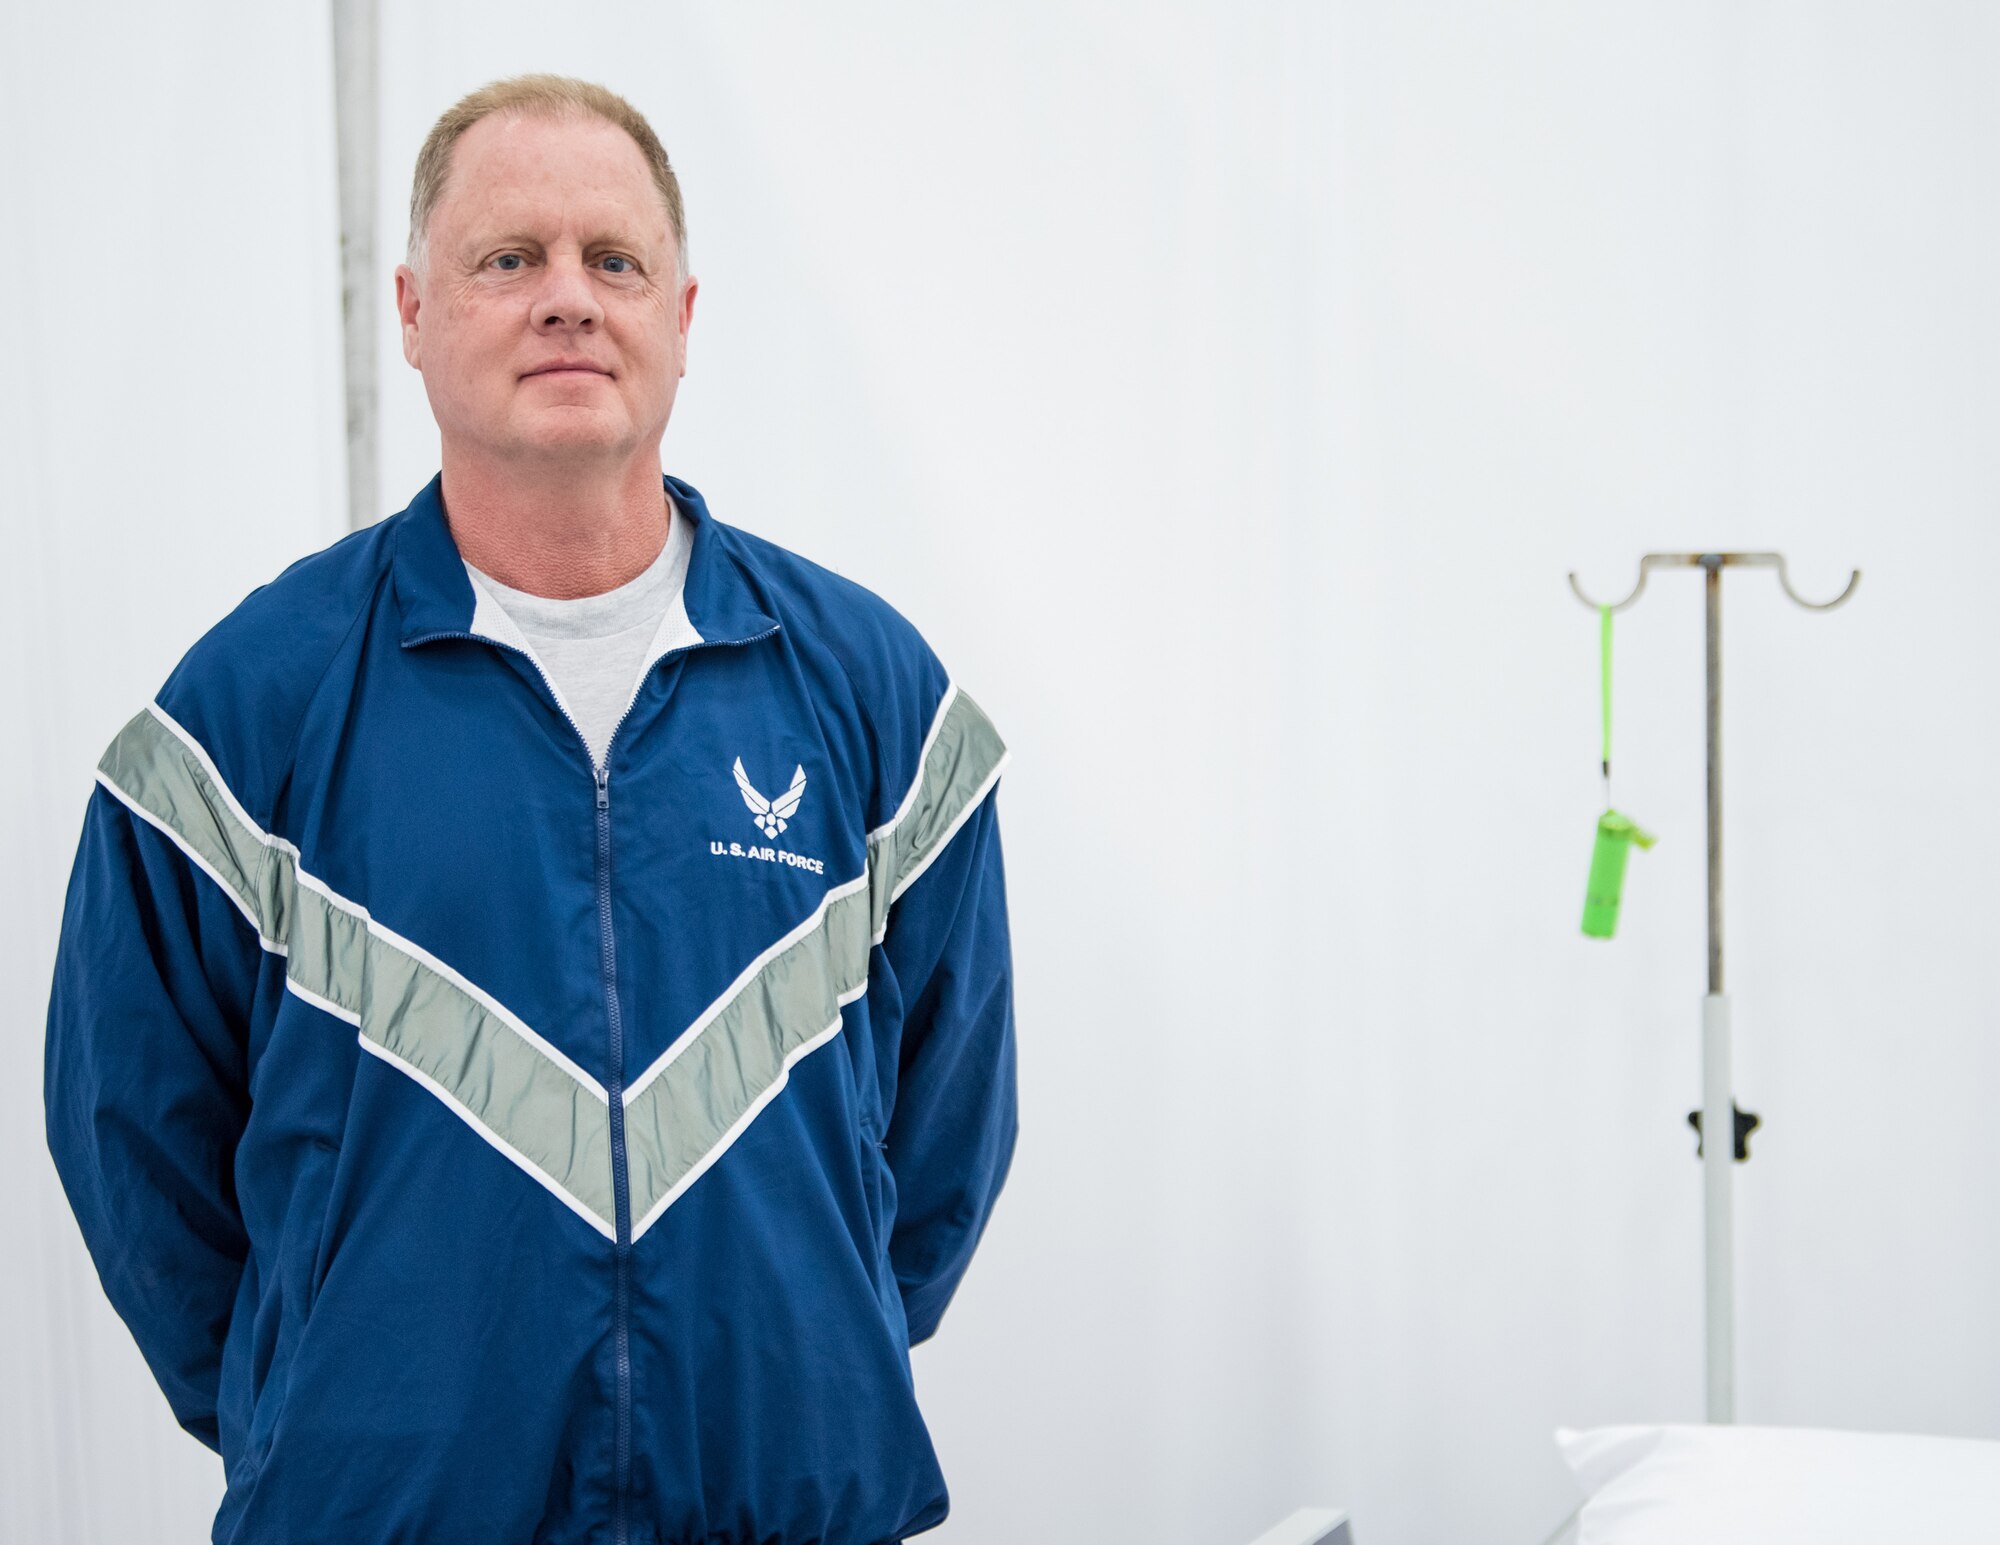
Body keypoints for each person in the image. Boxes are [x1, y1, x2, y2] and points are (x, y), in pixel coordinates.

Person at [43, 73, 1016, 1545]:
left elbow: (944, 1139)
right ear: (414, 314)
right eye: (509, 260)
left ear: (682, 318)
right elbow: (133, 1138)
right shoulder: (247, 712)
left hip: (787, 1513)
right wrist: (313, 1404)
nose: (568, 299)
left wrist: (806, 1360)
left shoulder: (875, 696)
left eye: (611, 260)